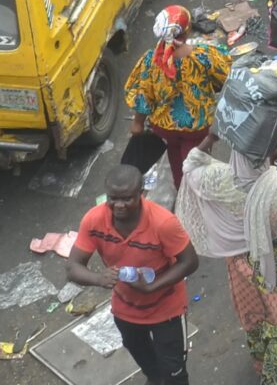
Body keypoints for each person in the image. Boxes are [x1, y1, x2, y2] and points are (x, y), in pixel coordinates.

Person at [176, 144, 277, 385]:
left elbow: (190, 164)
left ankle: (262, 365)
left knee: (254, 318)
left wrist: (212, 135)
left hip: (240, 268)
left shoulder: (220, 179)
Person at [69, 164, 201, 385]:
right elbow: (73, 266)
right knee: (145, 361)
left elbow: (190, 261)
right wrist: (99, 279)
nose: (118, 205)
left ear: (141, 193)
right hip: (126, 309)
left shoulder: (163, 223)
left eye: (127, 199)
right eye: (113, 198)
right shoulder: (93, 220)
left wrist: (152, 286)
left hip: (166, 309)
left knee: (175, 372)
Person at [123, 6, 228, 192]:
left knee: (175, 156)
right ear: (187, 31)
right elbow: (224, 78)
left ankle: (181, 188)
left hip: (165, 128)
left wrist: (138, 122)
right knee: (197, 166)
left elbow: (144, 95)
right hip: (196, 127)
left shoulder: (150, 60)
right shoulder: (203, 56)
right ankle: (195, 198)